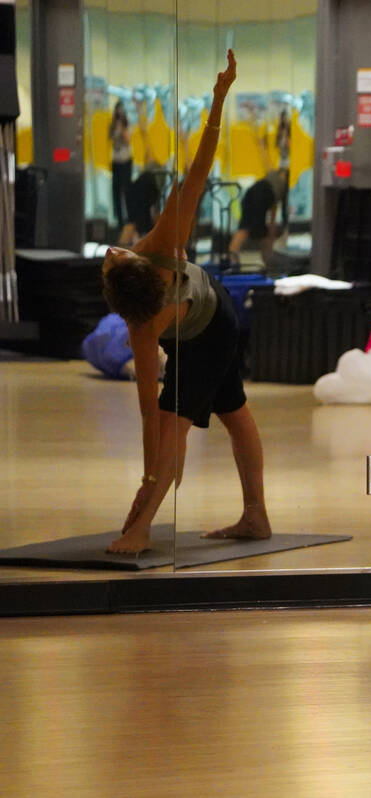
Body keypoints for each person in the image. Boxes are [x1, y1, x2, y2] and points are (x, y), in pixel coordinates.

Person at [101, 50, 272, 555]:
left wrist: (220, 99)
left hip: (214, 320)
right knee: (230, 413)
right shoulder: (142, 325)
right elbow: (145, 417)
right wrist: (148, 474)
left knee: (180, 425)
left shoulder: (163, 237)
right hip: (201, 326)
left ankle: (143, 530)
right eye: (112, 259)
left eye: (109, 257)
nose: (111, 250)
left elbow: (201, 165)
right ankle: (256, 516)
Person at [228, 169, 288, 268]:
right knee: (249, 229)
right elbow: (274, 209)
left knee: (247, 227)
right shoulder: (278, 185)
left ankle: (233, 256)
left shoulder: (270, 179)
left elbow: (273, 208)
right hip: (259, 198)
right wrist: (271, 231)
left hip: (252, 196)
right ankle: (265, 259)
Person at [109, 100, 133, 230]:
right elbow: (110, 137)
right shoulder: (113, 125)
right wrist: (115, 123)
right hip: (116, 161)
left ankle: (129, 219)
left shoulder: (127, 124)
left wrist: (122, 125)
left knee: (127, 190)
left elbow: (128, 139)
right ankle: (119, 221)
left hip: (126, 161)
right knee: (116, 191)